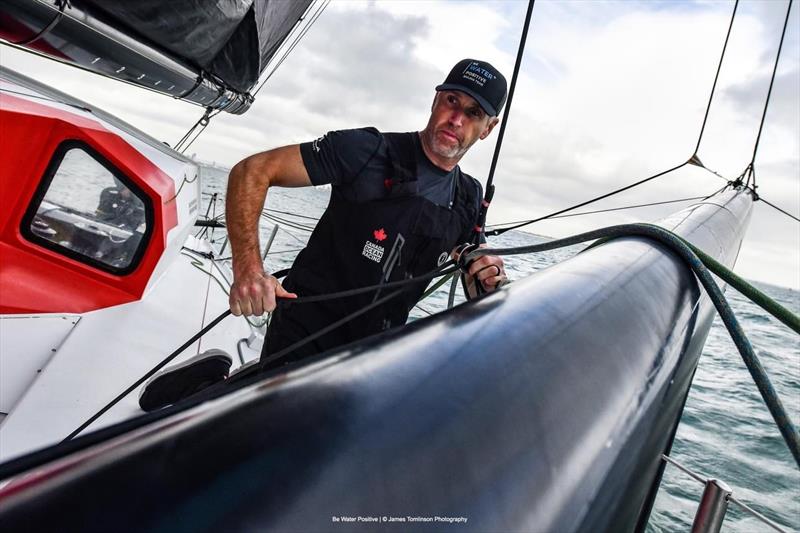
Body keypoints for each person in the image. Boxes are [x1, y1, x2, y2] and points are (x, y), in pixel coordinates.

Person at [139, 59, 509, 411]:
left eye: (473, 113)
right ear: (436, 100)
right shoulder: (367, 151)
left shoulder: (469, 196)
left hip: (376, 348)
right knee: (261, 438)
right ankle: (204, 387)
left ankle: (230, 384)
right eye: (451, 101)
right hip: (305, 328)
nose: (456, 118)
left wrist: (482, 276)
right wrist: (249, 270)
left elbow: (465, 255)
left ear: (488, 128)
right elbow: (253, 171)